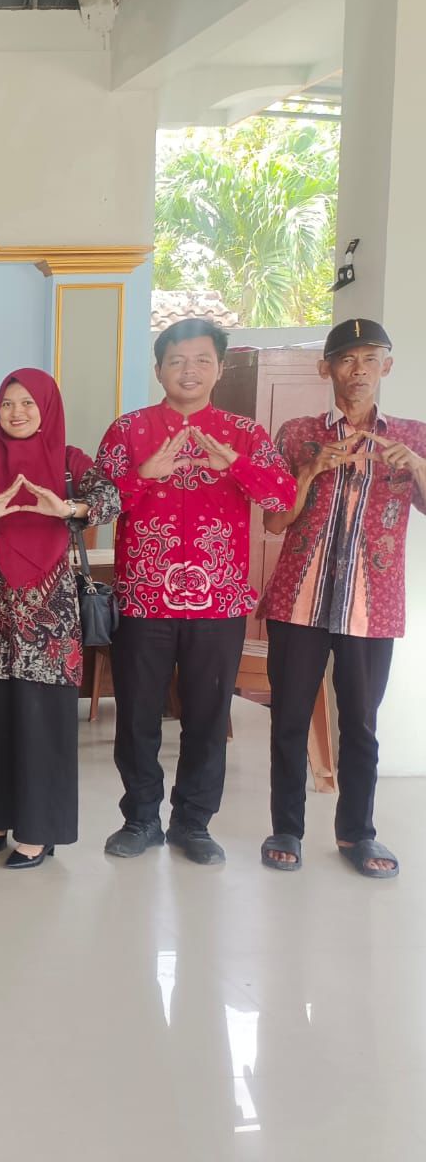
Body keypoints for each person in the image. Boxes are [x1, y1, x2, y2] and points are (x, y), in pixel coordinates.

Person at [95, 319, 294, 865]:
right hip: (144, 597)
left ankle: (193, 823)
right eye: (177, 360)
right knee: (137, 715)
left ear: (220, 368)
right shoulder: (128, 430)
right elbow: (97, 507)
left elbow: (282, 498)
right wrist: (144, 472)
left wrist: (237, 465)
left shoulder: (243, 433)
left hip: (219, 601)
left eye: (202, 360)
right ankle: (140, 819)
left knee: (207, 718)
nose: (190, 370)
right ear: (159, 368)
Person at [0, 369, 120, 869]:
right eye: (8, 403)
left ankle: (38, 830)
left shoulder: (69, 460)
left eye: (28, 403)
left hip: (48, 614)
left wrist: (67, 507)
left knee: (42, 721)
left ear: (47, 408)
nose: (16, 412)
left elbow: (110, 499)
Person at [259, 318, 426, 878]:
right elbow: (274, 522)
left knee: (361, 725)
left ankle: (358, 833)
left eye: (370, 358)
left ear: (387, 366)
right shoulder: (297, 433)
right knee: (288, 719)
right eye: (347, 359)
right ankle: (286, 827)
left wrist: (416, 465)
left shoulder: (413, 436)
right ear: (325, 368)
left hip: (372, 607)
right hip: (297, 602)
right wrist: (311, 471)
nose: (359, 370)